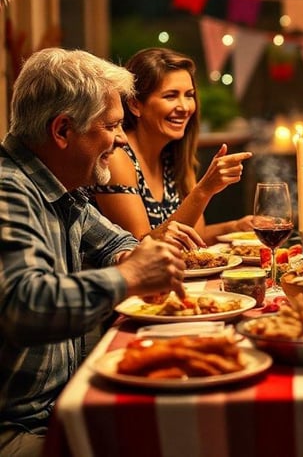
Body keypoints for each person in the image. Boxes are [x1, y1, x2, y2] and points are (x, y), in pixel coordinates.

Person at [0, 48, 192, 456]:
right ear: (63, 130)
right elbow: (24, 305)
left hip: (62, 404)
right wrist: (130, 277)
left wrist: (128, 259)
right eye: (111, 126)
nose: (122, 139)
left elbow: (119, 242)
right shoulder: (8, 191)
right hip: (18, 427)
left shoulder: (63, 190)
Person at [92, 47, 253, 246]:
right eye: (170, 96)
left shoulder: (173, 156)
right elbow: (141, 248)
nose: (184, 107)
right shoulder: (116, 158)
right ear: (135, 105)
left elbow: (195, 233)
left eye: (189, 95)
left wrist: (236, 227)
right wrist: (203, 191)